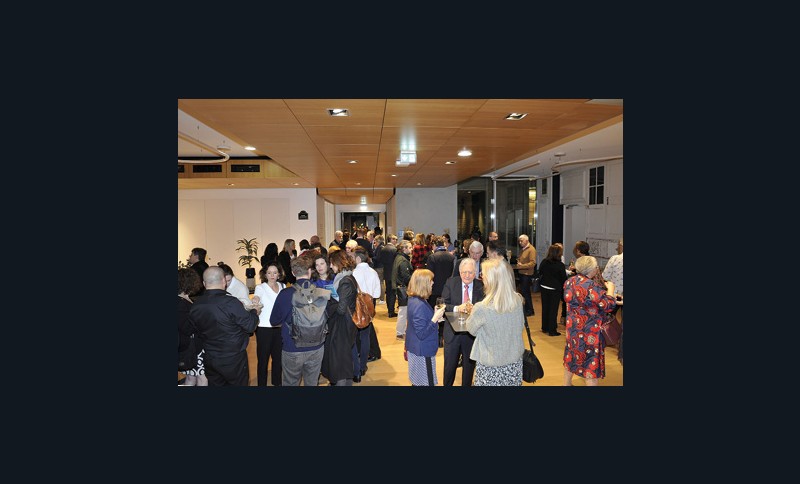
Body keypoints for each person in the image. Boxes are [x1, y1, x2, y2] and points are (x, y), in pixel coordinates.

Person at [191, 266, 260, 386]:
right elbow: (250, 326)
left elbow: (196, 331)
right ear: (224, 281)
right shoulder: (231, 302)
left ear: (204, 283)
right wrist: (255, 312)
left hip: (210, 357)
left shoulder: (195, 305)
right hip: (233, 358)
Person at [465, 257, 525, 386]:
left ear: (491, 280)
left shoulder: (481, 308)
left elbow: (470, 329)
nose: (482, 278)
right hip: (514, 363)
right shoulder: (518, 301)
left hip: (490, 365)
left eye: (483, 275)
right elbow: (520, 326)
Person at [562, 256, 618, 386]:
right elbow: (608, 306)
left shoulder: (570, 281)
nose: (597, 269)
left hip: (573, 327)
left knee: (571, 354)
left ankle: (566, 384)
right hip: (590, 330)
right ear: (592, 269)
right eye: (596, 267)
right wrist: (611, 290)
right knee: (591, 361)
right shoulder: (592, 286)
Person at [270, 256, 325, 386]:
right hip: (317, 346)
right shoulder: (321, 292)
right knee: (312, 383)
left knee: (290, 383)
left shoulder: (285, 294)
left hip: (292, 347)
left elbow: (274, 321)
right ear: (310, 271)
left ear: (293, 273)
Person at [441, 258, 485, 386]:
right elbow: (443, 304)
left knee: (469, 369)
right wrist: (457, 308)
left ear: (475, 272)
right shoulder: (451, 283)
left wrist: (475, 309)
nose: (467, 275)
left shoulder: (481, 286)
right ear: (459, 272)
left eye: (470, 272)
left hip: (471, 334)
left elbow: (486, 307)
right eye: (464, 272)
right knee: (449, 368)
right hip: (452, 333)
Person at [321, 250, 358, 385]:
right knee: (343, 358)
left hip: (343, 324)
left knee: (340, 360)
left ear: (338, 263)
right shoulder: (347, 277)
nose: (330, 266)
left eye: (332, 263)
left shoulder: (345, 281)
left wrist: (330, 302)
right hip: (345, 322)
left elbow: (341, 309)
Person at [405, 269, 447, 386]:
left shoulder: (414, 300)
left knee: (417, 381)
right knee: (426, 383)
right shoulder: (420, 305)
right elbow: (422, 334)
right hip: (423, 351)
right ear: (423, 284)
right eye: (430, 281)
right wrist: (435, 318)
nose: (433, 283)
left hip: (416, 348)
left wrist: (434, 316)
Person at [253, 262, 285, 386]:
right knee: (263, 360)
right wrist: (255, 300)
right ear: (265, 274)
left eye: (275, 272)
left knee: (278, 359)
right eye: (269, 273)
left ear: (279, 274)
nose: (272, 275)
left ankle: (277, 383)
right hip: (264, 329)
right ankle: (262, 384)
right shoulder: (260, 287)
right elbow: (256, 297)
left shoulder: (282, 286)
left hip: (279, 327)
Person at [352, 247, 381, 377]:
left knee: (353, 337)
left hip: (355, 307)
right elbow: (377, 294)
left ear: (358, 258)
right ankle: (363, 366)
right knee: (365, 336)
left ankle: (356, 366)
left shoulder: (353, 273)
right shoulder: (373, 272)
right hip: (369, 307)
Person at [426, 235, 456, 347]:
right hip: (447, 289)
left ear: (434, 245)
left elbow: (429, 275)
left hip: (434, 290)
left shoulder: (432, 257)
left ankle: (434, 336)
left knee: (434, 314)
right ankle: (441, 337)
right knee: (443, 314)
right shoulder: (451, 257)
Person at [178, 268, 206, 386]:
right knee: (203, 378)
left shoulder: (184, 299)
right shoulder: (181, 303)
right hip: (193, 348)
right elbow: (187, 328)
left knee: (191, 377)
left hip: (190, 347)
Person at [538, 244, 569, 336]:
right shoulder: (560, 265)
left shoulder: (544, 261)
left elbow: (540, 272)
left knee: (545, 308)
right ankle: (552, 330)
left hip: (544, 286)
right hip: (554, 289)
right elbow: (563, 278)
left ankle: (544, 327)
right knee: (553, 309)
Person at [391, 240, 414, 339]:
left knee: (403, 311)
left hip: (399, 288)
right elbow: (406, 277)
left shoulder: (398, 257)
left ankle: (401, 331)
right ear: (404, 249)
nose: (412, 249)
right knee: (403, 312)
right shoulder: (403, 261)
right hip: (403, 289)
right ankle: (400, 333)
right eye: (410, 247)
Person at [516, 234, 537, 317]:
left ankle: (530, 310)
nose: (520, 242)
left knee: (526, 293)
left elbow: (533, 263)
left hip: (527, 274)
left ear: (527, 241)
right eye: (519, 241)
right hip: (522, 273)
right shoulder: (523, 249)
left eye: (521, 241)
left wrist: (522, 266)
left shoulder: (531, 249)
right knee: (524, 292)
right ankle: (526, 309)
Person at [378, 234, 398, 317]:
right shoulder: (394, 249)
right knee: (392, 292)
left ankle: (389, 309)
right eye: (394, 239)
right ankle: (391, 311)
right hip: (393, 273)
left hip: (386, 272)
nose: (396, 241)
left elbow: (381, 260)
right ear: (390, 239)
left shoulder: (383, 249)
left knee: (388, 292)